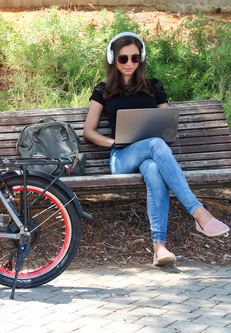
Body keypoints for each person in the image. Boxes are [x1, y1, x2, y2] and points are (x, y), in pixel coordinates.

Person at [83, 32, 229, 266]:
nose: (129, 63)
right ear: (113, 59)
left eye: (135, 58)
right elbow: (88, 131)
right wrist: (115, 142)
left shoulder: (154, 86)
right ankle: (199, 214)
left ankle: (159, 247)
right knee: (155, 144)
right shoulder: (103, 90)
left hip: (150, 155)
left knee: (152, 168)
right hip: (121, 157)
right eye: (123, 58)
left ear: (141, 59)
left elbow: (166, 125)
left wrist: (159, 137)